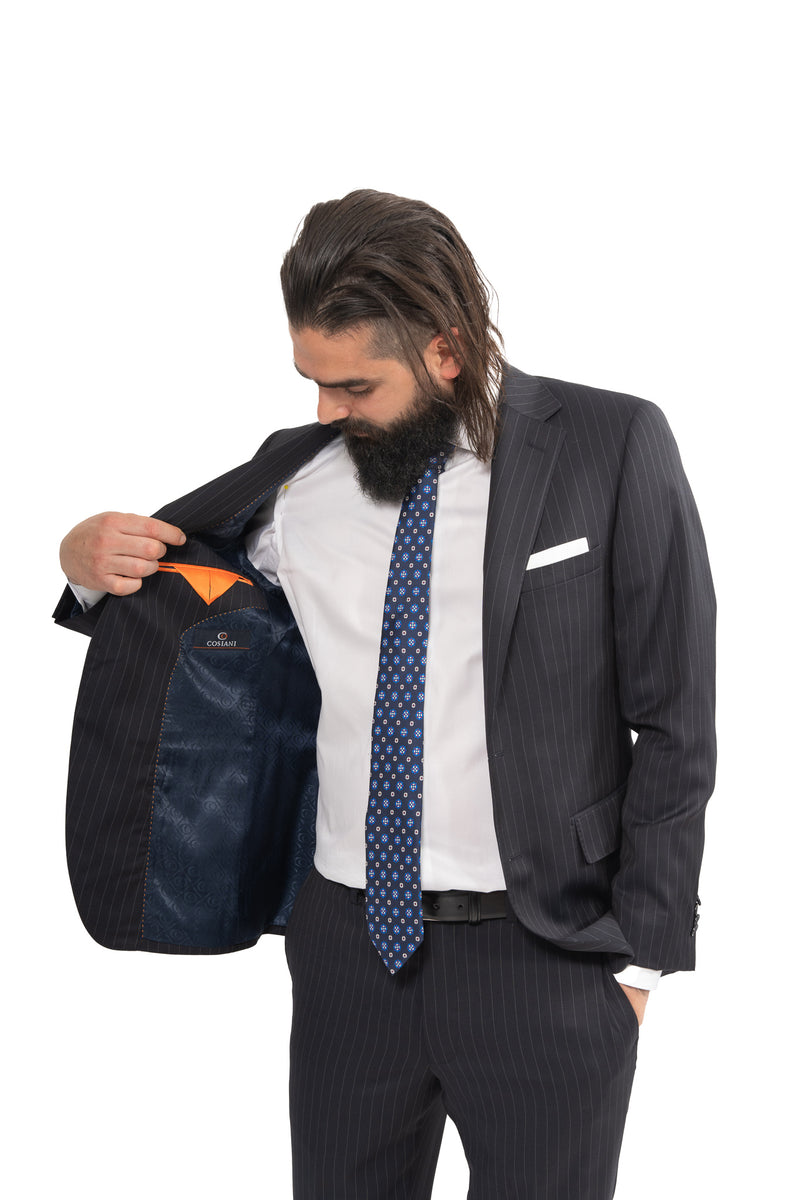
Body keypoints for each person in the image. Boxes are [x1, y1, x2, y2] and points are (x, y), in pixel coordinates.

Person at [55, 189, 716, 1199]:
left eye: (353, 386)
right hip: (346, 952)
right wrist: (82, 562)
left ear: (444, 350)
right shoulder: (296, 478)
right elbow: (170, 584)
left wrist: (638, 964)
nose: (326, 412)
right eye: (312, 382)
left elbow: (674, 717)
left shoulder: (608, 443)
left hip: (547, 950)